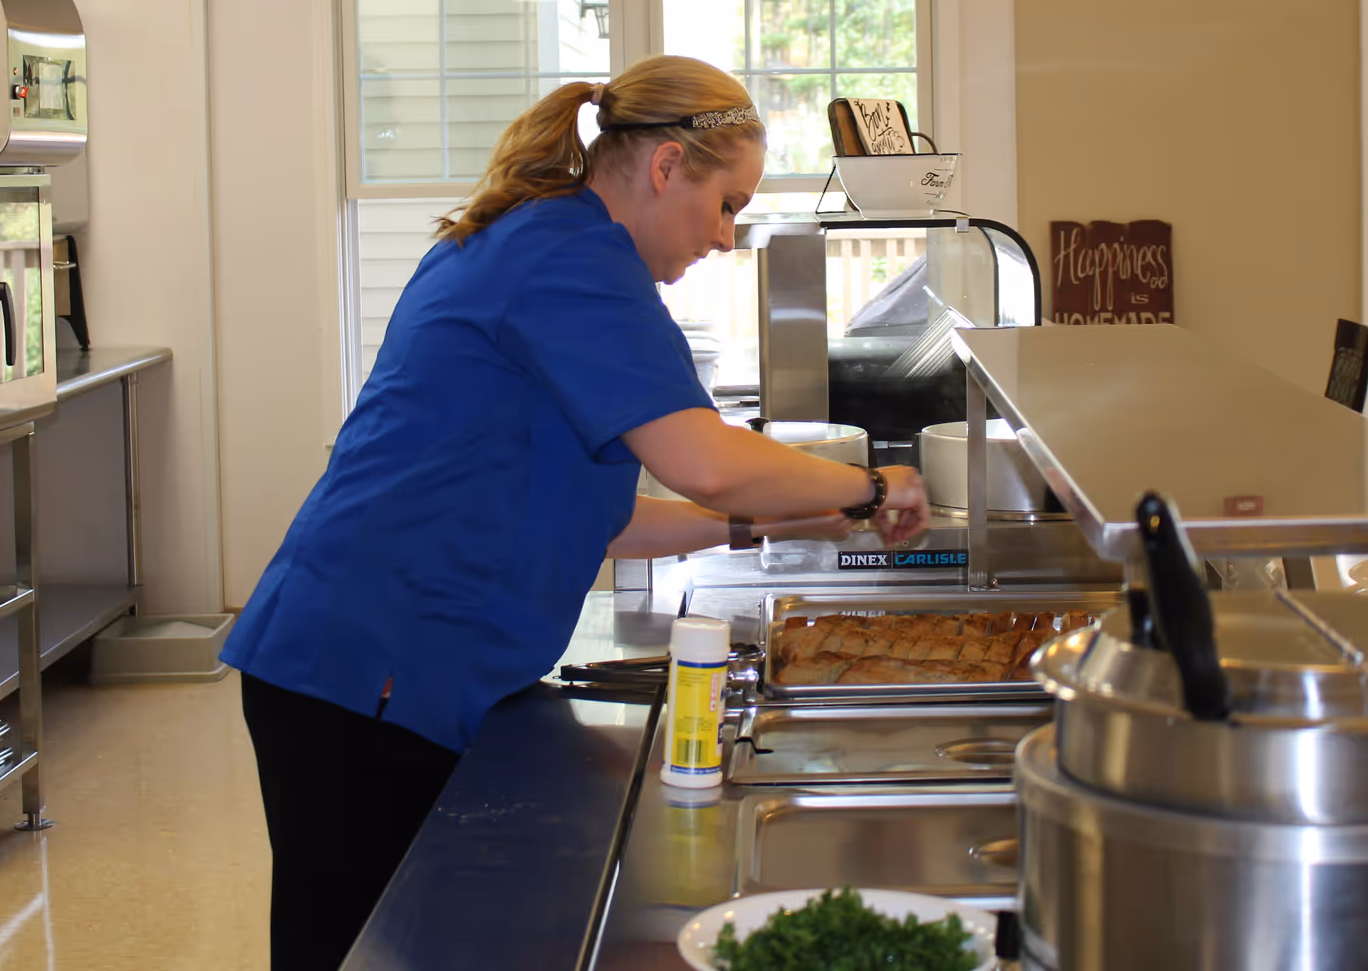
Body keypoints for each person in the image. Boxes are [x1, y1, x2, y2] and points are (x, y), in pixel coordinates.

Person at [220, 54, 931, 970]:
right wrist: (872, 487)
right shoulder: (571, 261)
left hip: (372, 654)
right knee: (356, 947)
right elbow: (704, 463)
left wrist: (768, 524)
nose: (724, 237)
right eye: (727, 205)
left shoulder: (543, 240)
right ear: (667, 166)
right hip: (368, 665)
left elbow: (596, 514)